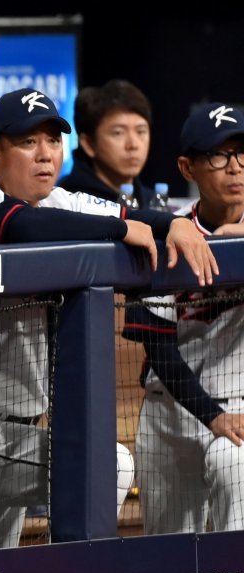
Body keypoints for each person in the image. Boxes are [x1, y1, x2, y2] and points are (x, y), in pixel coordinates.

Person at [0, 88, 217, 554]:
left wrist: (173, 223)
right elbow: (25, 227)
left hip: (14, 430)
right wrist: (119, 228)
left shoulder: (62, 201)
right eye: (28, 142)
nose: (45, 154)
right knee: (105, 467)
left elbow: (136, 216)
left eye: (53, 141)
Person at [124, 102, 244, 534]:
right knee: (169, 562)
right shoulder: (168, 235)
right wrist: (210, 414)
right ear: (187, 167)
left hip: (239, 411)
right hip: (170, 411)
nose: (234, 167)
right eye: (218, 155)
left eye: (242, 153)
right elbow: (157, 345)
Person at [59, 80, 154, 204]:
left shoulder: (153, 201)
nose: (133, 145)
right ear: (88, 144)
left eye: (141, 131)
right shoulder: (67, 202)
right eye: (118, 133)